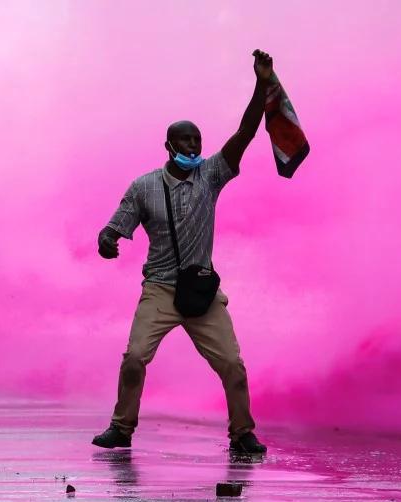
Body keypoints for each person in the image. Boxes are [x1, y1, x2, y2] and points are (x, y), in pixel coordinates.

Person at [91, 50, 275, 453]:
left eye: (197, 139)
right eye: (185, 139)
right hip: (159, 288)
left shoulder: (210, 175)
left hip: (201, 289)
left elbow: (245, 133)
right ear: (167, 144)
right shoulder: (143, 187)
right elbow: (117, 222)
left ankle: (242, 433)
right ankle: (121, 428)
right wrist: (108, 239)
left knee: (233, 365)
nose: (192, 145)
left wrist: (262, 83)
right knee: (135, 357)